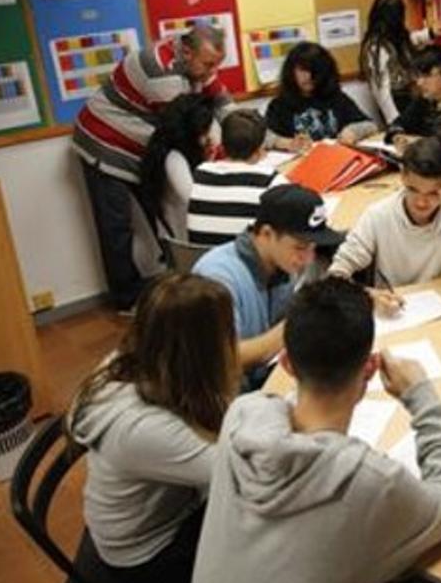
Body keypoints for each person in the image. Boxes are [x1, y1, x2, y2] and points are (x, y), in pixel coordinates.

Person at [189, 276, 441, 583]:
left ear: (286, 364)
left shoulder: (242, 414)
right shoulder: (372, 481)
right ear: (369, 369)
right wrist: (422, 398)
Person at [67, 273, 238, 583]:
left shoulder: (129, 363)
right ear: (201, 350)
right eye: (227, 333)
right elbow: (241, 472)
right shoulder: (145, 429)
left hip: (153, 517)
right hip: (147, 557)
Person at [73, 24, 231, 312]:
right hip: (105, 144)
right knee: (117, 226)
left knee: (164, 217)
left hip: (143, 143)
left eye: (217, 65)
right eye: (208, 65)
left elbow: (221, 101)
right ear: (187, 52)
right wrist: (217, 155)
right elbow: (184, 129)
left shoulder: (198, 60)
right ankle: (127, 300)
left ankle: (177, 286)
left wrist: (246, 132)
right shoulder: (162, 73)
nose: (212, 72)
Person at [194, 184, 343, 389]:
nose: (308, 259)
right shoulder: (219, 278)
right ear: (266, 234)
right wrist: (298, 323)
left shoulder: (280, 263)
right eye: (300, 247)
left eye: (313, 248)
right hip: (224, 402)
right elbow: (224, 361)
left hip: (265, 383)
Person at [329, 136, 441, 312]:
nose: (421, 203)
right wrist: (368, 296)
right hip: (395, 310)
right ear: (403, 176)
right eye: (413, 190)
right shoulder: (378, 215)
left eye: (433, 193)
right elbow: (335, 276)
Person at [187, 110, 287, 248]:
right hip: (245, 265)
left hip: (201, 264)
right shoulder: (271, 180)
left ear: (223, 145)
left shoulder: (200, 172)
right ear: (259, 150)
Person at [264, 41, 377, 150]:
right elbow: (261, 137)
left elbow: (370, 125)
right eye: (302, 70)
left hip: (335, 158)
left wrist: (352, 131)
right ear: (291, 72)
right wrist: (285, 142)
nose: (308, 77)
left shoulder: (336, 98)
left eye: (314, 71)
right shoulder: (279, 105)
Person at [138, 94, 218, 242]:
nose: (209, 137)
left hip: (188, 235)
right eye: (205, 131)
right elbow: (196, 200)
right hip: (186, 242)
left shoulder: (171, 150)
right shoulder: (173, 159)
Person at [358, 0, 434, 125]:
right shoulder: (375, 47)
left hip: (409, 95)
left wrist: (429, 34)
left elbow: (410, 39)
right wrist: (395, 122)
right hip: (396, 102)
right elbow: (381, 90)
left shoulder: (395, 35)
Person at [385, 44, 441, 148]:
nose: (419, 82)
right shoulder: (422, 101)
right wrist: (398, 137)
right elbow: (397, 125)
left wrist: (417, 142)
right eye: (418, 76)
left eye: (426, 76)